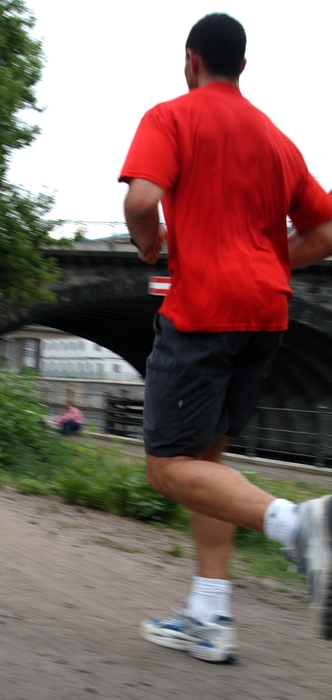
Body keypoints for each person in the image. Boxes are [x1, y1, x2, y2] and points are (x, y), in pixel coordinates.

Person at [119, 12, 332, 664]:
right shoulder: (277, 140)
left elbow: (140, 198)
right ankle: (209, 617)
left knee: (167, 469)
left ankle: (301, 526)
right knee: (204, 468)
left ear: (192, 61)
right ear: (242, 65)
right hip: (265, 317)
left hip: (204, 309)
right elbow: (325, 233)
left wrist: (148, 240)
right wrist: (270, 261)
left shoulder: (173, 116)